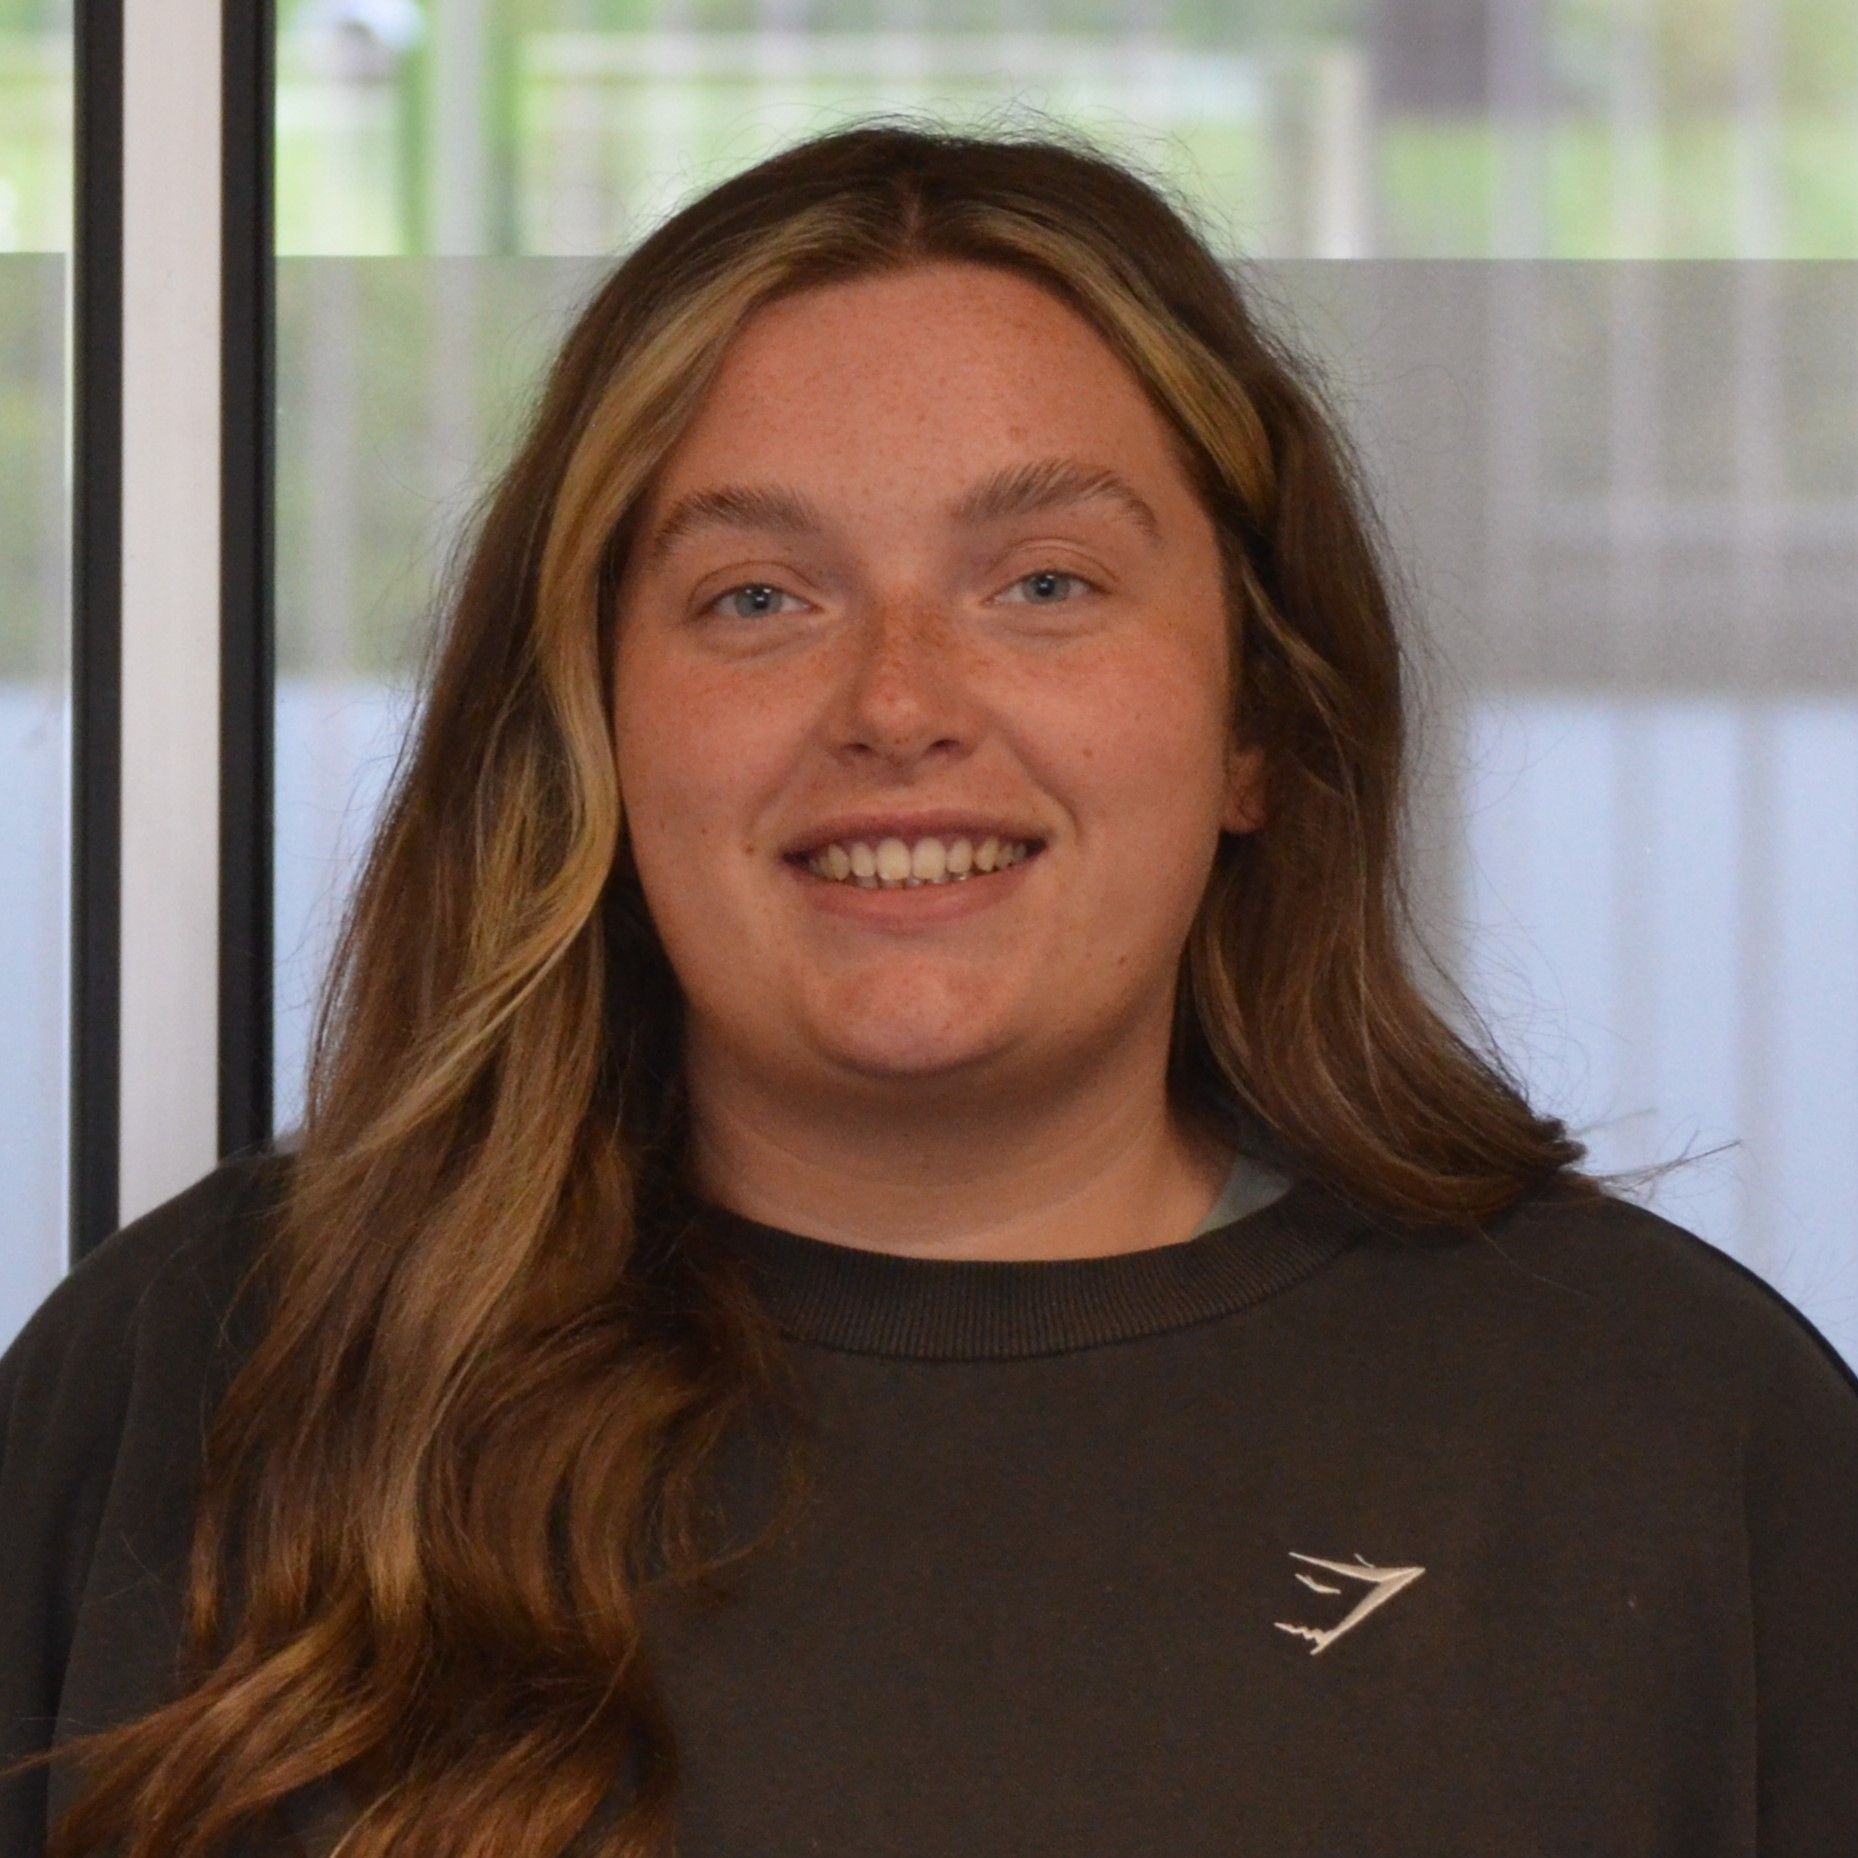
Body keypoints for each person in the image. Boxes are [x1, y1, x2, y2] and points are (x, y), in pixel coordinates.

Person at [3, 115, 1854, 1858]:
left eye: (1042, 583)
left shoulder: (1668, 1436)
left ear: (1257, 727)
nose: (897, 703)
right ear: (594, 733)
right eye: (755, 598)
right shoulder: (205, 1373)